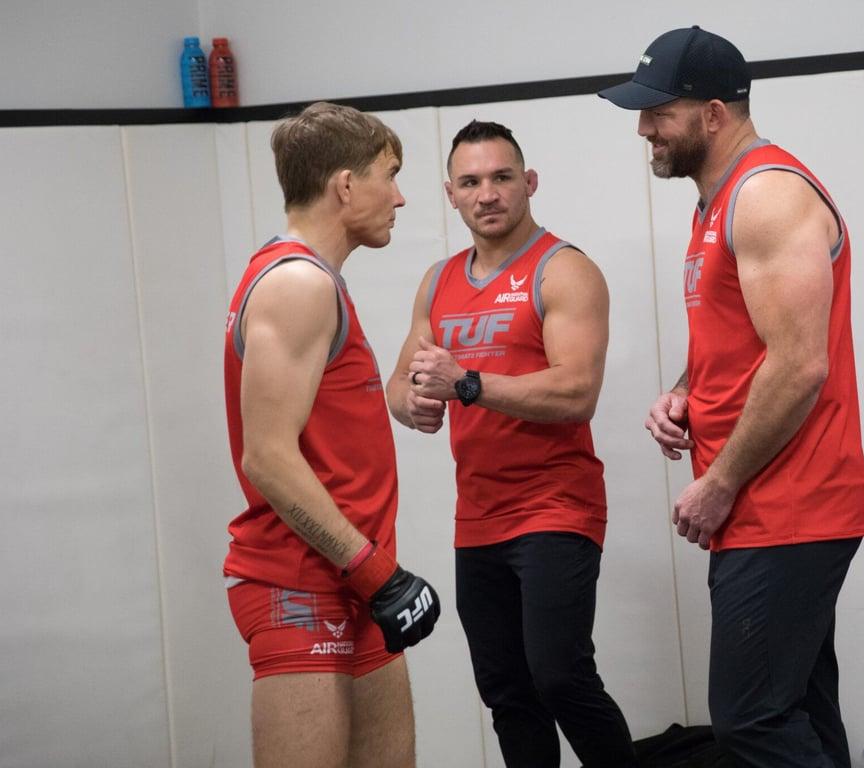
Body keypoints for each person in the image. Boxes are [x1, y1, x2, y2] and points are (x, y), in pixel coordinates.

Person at [599, 26, 864, 768]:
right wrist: (685, 393)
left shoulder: (766, 197)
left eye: (659, 113)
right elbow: (746, 341)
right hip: (766, 505)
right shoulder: (715, 203)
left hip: (787, 504)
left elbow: (799, 366)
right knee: (800, 714)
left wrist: (718, 483)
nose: (643, 129)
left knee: (751, 721)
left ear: (713, 114)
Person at [385, 120, 637, 768]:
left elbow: (576, 391)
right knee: (508, 693)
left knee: (560, 676)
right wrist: (413, 401)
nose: (487, 193)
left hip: (556, 508)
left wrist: (465, 383)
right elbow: (398, 381)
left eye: (501, 178)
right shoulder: (439, 281)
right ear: (451, 194)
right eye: (471, 181)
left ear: (528, 183)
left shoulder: (565, 270)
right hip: (478, 520)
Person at [222, 101, 440, 768]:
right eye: (389, 174)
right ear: (346, 185)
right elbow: (268, 457)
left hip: (356, 584)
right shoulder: (296, 284)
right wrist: (379, 574)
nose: (399, 196)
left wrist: (375, 579)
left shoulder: (316, 281)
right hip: (303, 586)